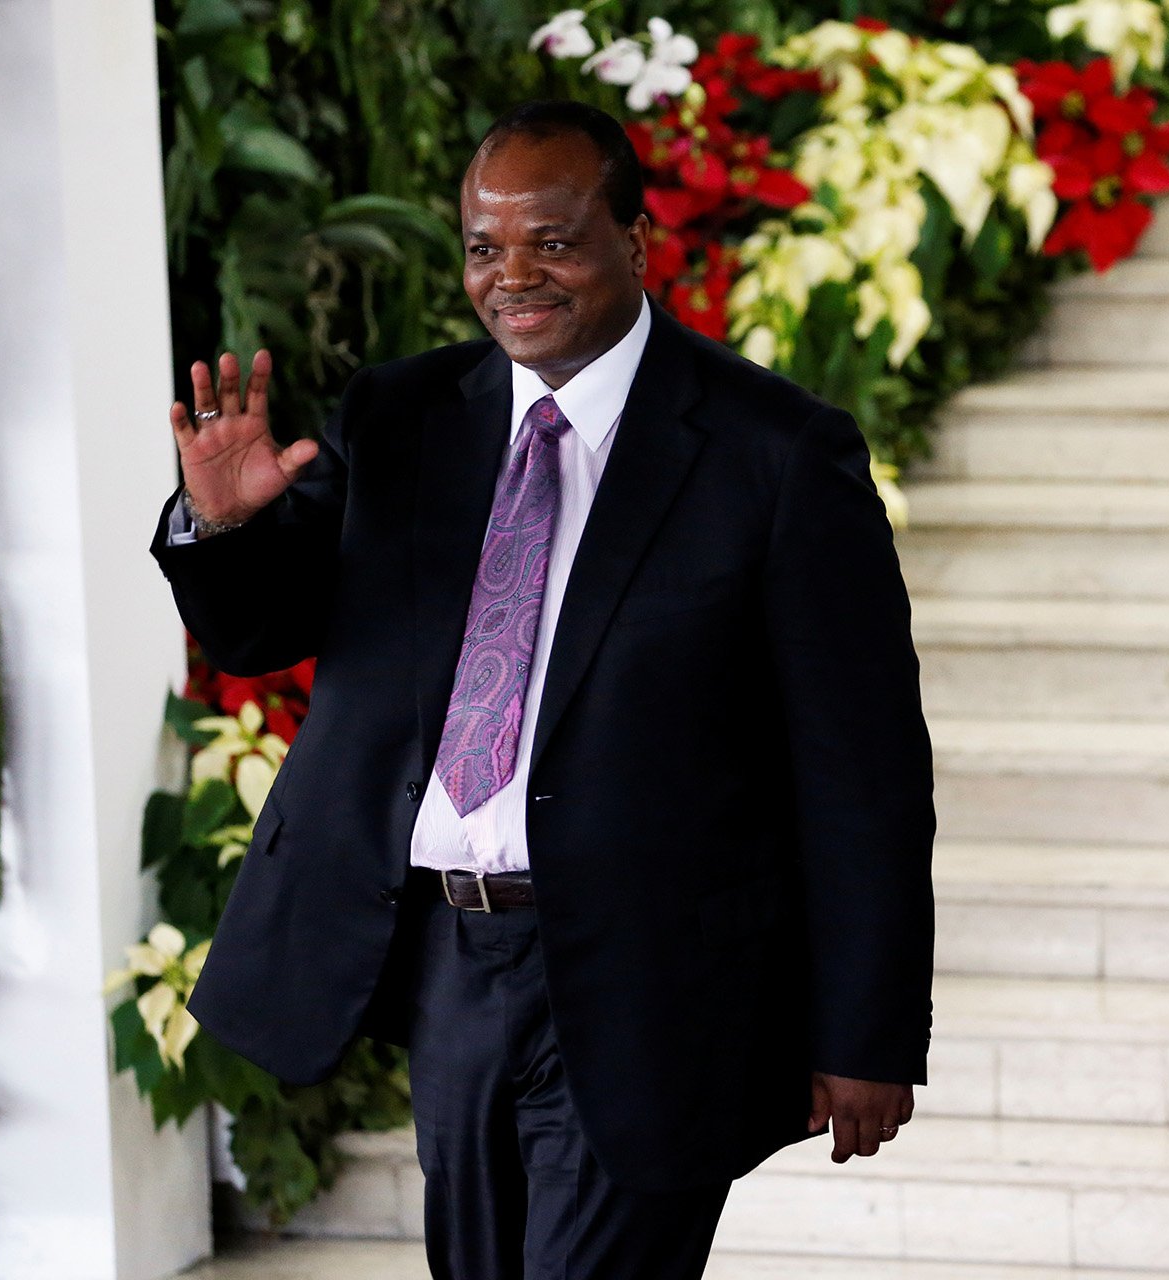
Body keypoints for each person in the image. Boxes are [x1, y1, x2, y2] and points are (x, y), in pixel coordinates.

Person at [152, 100, 936, 1280]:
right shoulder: (403, 418)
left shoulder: (775, 452)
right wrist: (223, 525)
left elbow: (862, 766)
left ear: (637, 238)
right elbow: (263, 628)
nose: (512, 275)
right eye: (484, 246)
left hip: (657, 980)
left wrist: (864, 1026)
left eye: (554, 241)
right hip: (453, 963)